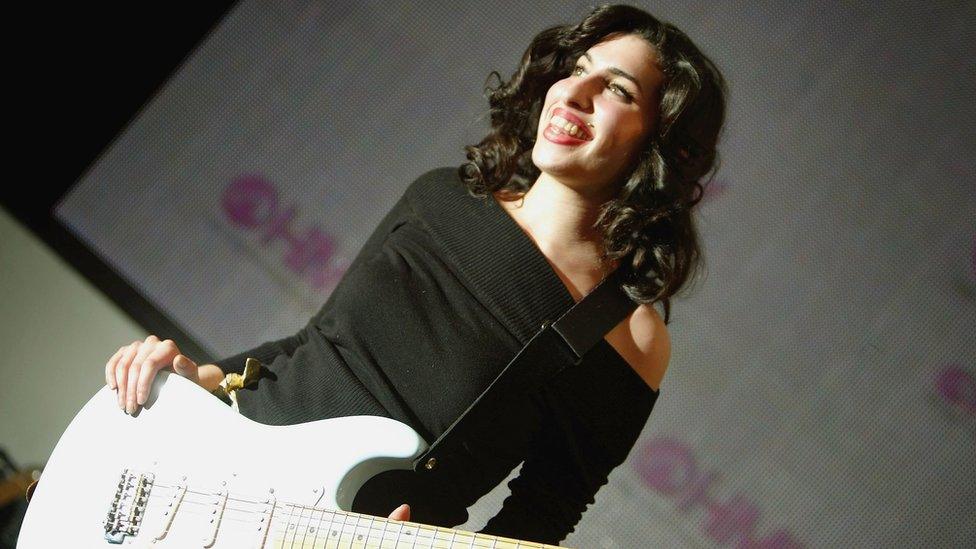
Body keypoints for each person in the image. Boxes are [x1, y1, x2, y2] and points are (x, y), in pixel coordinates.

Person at [103, 4, 727, 544]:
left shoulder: (628, 334)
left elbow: (543, 517)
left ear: (663, 143)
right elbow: (308, 347)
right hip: (207, 468)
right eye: (577, 68)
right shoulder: (442, 196)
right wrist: (197, 380)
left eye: (617, 88)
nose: (574, 92)